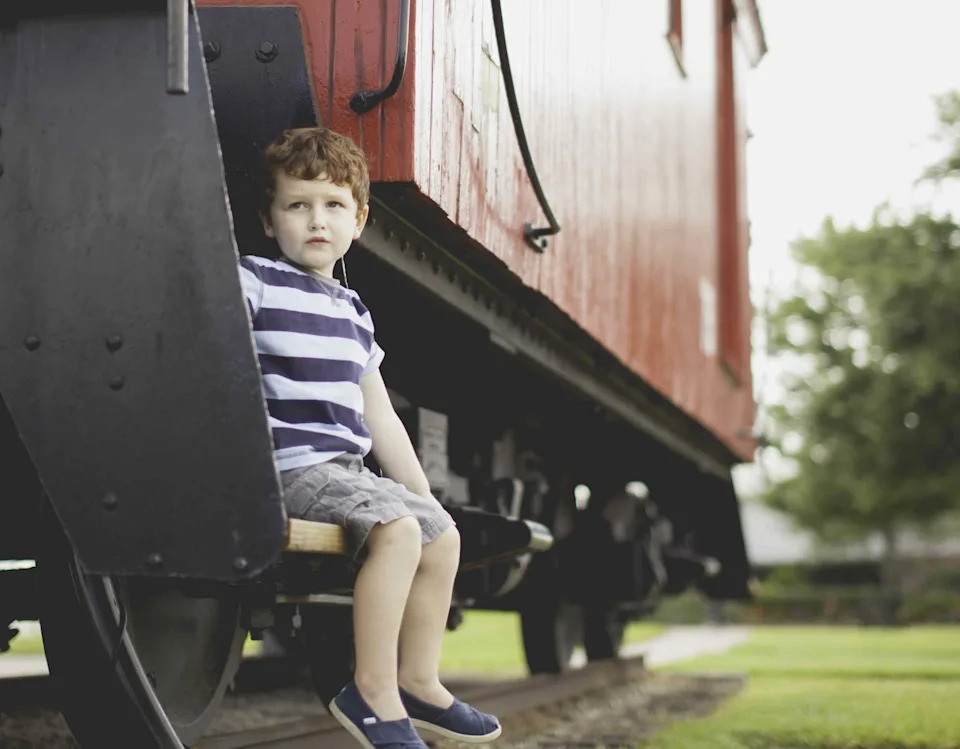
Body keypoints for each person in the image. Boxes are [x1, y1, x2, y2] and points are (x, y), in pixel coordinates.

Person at [237, 127, 501, 749]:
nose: (316, 221)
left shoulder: (353, 312)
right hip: (288, 466)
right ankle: (372, 690)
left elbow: (379, 416)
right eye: (297, 206)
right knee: (397, 530)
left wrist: (425, 494)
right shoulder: (253, 281)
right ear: (270, 221)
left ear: (359, 220)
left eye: (333, 206)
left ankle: (418, 680)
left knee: (439, 534)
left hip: (343, 472)